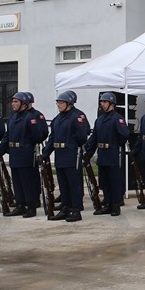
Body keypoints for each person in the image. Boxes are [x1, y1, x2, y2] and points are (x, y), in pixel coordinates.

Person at [0, 92, 49, 218]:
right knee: (17, 181)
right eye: (13, 101)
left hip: (26, 153)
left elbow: (38, 136)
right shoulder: (13, 118)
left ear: (24, 104)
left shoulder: (30, 118)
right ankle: (20, 204)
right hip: (14, 154)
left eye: (16, 102)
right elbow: (6, 137)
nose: (13, 104)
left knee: (27, 182)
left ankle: (30, 206)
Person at [44, 90, 89, 222]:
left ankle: (75, 209)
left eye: (61, 102)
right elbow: (52, 138)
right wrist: (45, 154)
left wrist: (72, 145)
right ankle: (65, 207)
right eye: (57, 102)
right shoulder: (57, 119)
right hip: (60, 155)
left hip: (71, 154)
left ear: (69, 103)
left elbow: (82, 136)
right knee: (63, 183)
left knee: (73, 183)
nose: (58, 105)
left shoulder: (77, 116)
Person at [85, 92, 130, 217]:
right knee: (104, 181)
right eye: (101, 102)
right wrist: (88, 152)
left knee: (114, 181)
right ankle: (108, 204)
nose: (102, 104)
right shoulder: (100, 120)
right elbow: (94, 138)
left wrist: (115, 145)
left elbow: (124, 135)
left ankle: (115, 205)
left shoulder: (117, 118)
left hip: (112, 154)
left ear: (111, 104)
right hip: (102, 154)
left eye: (104, 102)